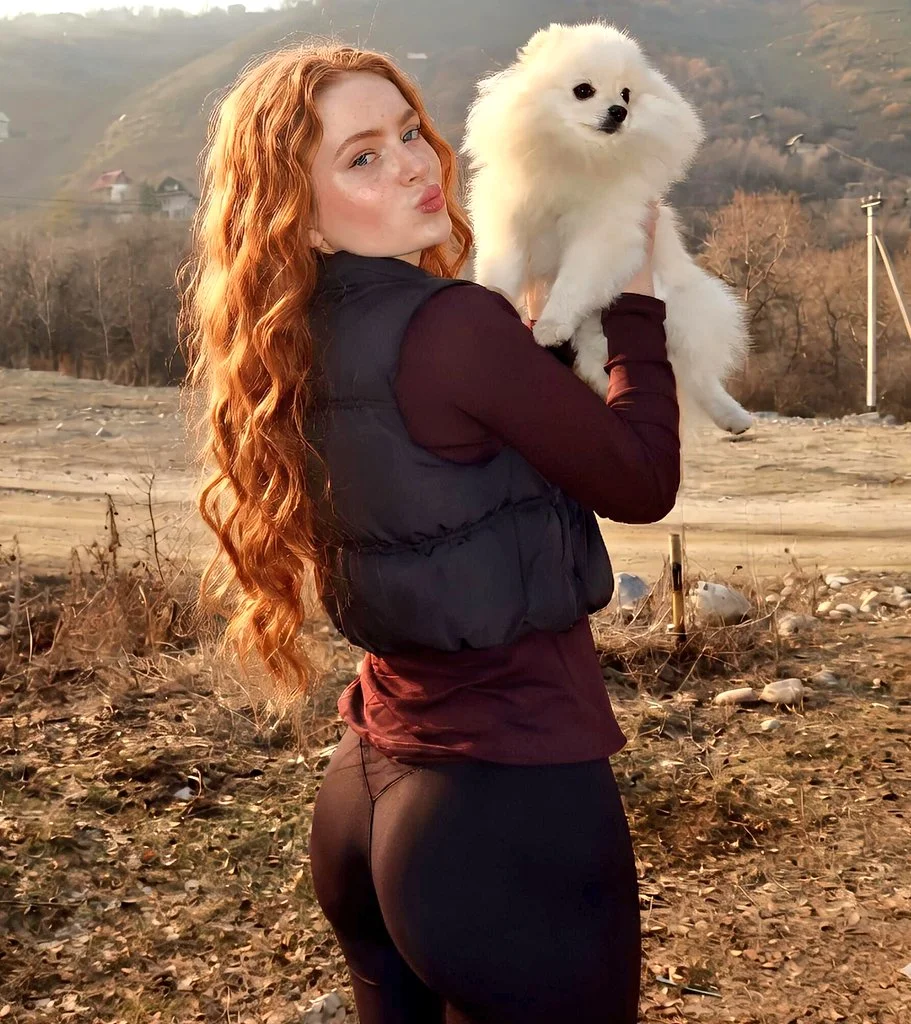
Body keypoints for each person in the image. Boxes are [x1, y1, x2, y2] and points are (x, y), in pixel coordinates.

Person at [181, 41, 679, 1024]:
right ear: (300, 212)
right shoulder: (450, 324)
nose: (414, 163)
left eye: (408, 131)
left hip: (367, 796)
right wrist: (636, 305)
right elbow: (639, 478)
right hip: (504, 807)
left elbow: (470, 455)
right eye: (360, 157)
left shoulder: (284, 339)